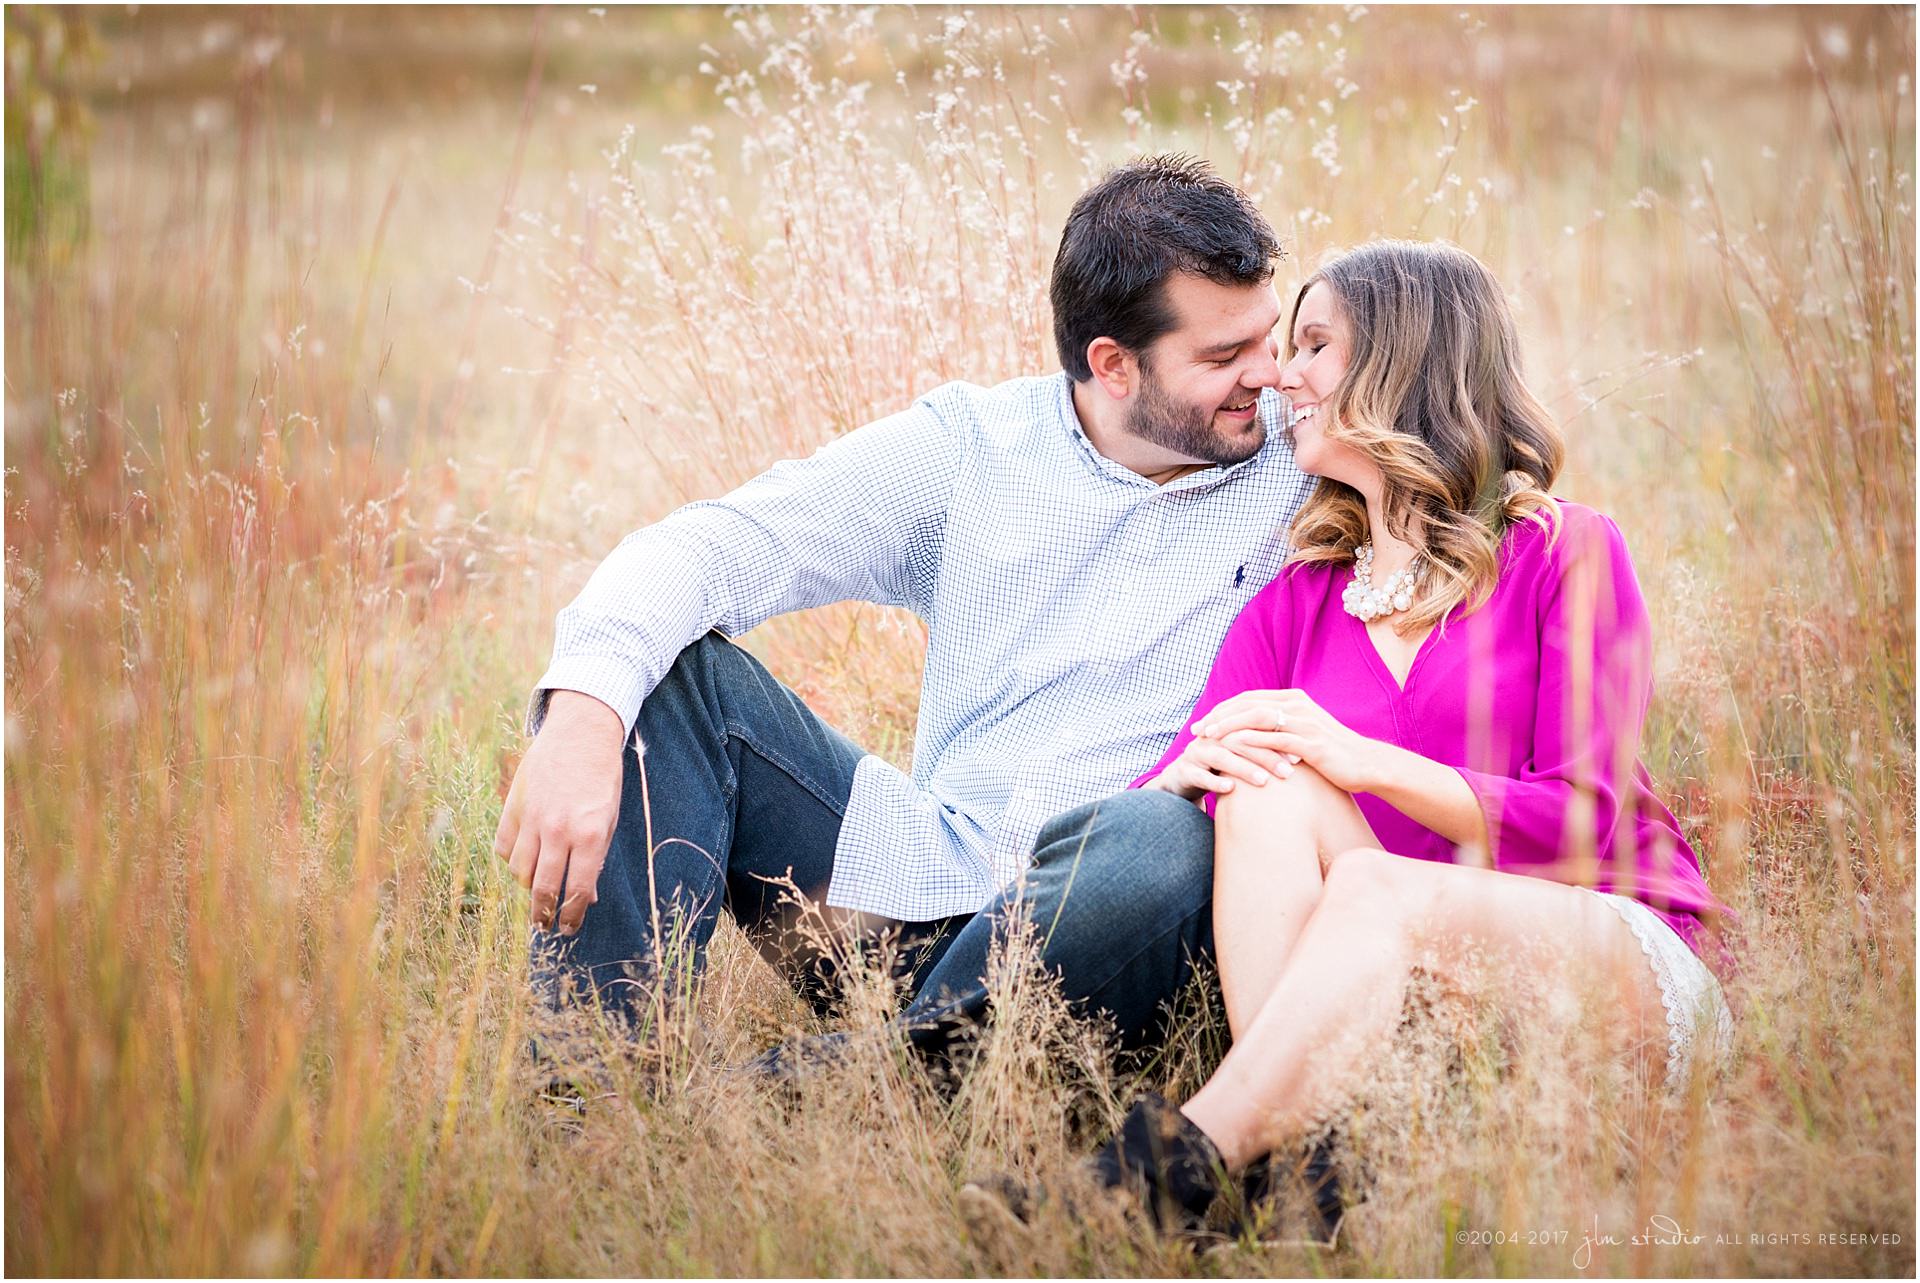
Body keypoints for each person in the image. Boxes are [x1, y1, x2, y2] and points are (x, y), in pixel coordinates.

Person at [964, 239, 1735, 1234]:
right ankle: (1314, 1164)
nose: (1281, 374)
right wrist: (1180, 777)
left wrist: (1363, 757)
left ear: (1403, 363)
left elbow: (1584, 821)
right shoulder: (1295, 605)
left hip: (1605, 958)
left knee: (1368, 873)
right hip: (1412, 999)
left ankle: (1162, 1174)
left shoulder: (1564, 551)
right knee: (1259, 779)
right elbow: (1190, 776)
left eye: (1314, 343)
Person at [493, 154, 1316, 1069]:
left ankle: (863, 1078)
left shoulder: (1306, 459)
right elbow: (712, 546)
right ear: (1114, 366)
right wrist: (581, 716)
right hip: (919, 889)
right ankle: (585, 1099)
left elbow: (1464, 460)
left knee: (1162, 838)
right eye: (1223, 356)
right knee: (670, 681)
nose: (1270, 374)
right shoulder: (972, 449)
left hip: (1117, 924)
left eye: (1269, 337)